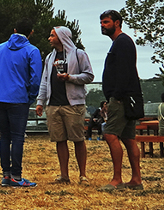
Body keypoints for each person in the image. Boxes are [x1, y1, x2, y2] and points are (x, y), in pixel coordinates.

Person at [35, 26, 94, 184]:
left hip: (73, 105)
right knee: (59, 140)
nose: (49, 38)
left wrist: (70, 78)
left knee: (78, 139)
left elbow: (89, 76)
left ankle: (82, 175)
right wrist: (40, 102)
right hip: (53, 105)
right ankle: (64, 175)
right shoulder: (50, 57)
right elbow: (44, 81)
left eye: (52, 35)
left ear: (62, 37)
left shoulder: (79, 54)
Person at [0, 18, 42, 187]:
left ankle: (6, 175)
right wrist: (30, 96)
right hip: (18, 98)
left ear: (14, 30)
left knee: (5, 136)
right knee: (18, 137)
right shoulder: (32, 51)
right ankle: (16, 176)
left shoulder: (0, 47)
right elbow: (36, 78)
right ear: (31, 33)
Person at [97, 10, 143, 191]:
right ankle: (136, 179)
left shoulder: (122, 42)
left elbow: (124, 72)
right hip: (125, 97)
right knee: (128, 138)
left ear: (117, 23)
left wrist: (115, 97)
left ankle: (117, 180)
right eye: (101, 22)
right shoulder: (119, 43)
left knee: (110, 134)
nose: (102, 25)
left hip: (121, 99)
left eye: (106, 22)